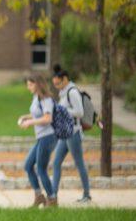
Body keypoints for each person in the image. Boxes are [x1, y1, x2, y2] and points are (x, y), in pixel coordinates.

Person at [51, 64, 92, 203]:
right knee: (56, 163)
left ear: (65, 79)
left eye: (58, 83)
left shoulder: (72, 92)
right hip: (65, 133)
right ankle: (53, 195)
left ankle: (87, 195)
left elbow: (79, 112)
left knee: (79, 163)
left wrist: (62, 111)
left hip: (73, 133)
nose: (56, 86)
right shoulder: (63, 92)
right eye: (54, 84)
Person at [18, 75, 58, 207]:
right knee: (28, 165)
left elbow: (48, 118)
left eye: (30, 84)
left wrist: (30, 122)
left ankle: (52, 199)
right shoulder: (36, 97)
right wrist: (25, 117)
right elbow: (37, 114)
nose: (28, 87)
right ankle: (39, 196)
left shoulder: (46, 99)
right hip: (41, 138)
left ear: (37, 84)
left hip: (48, 137)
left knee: (41, 169)